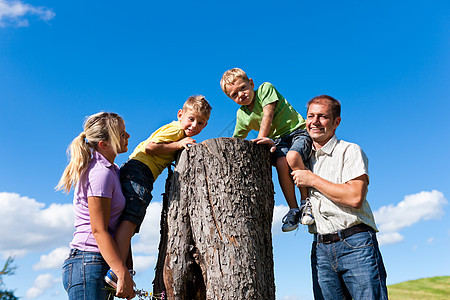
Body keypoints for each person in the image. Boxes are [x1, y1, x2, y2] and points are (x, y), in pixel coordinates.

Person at [105, 95, 212, 287]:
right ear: (181, 114)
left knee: (128, 221)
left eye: (201, 123)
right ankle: (116, 271)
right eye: (191, 119)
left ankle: (123, 267)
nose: (195, 125)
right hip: (140, 170)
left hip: (136, 170)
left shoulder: (179, 131)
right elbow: (151, 147)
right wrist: (179, 144)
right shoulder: (176, 129)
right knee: (130, 219)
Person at [291, 95, 388, 299]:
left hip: (356, 244)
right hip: (320, 248)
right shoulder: (303, 158)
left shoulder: (349, 151)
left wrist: (312, 179)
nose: (315, 122)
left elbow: (355, 197)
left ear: (336, 122)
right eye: (311, 116)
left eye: (322, 117)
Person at [220, 68, 313, 232]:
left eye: (243, 88)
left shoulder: (265, 89)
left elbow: (267, 115)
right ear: (230, 98)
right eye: (234, 95)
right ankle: (294, 209)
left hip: (297, 132)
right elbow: (235, 141)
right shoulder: (242, 115)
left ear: (251, 83)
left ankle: (306, 202)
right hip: (279, 141)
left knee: (292, 157)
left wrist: (260, 138)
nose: (241, 95)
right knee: (281, 163)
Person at [57, 112, 135, 300]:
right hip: (88, 262)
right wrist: (121, 271)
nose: (128, 136)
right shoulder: (100, 173)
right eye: (122, 134)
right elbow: (99, 229)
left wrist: (125, 268)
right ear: (104, 144)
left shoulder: (113, 170)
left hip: (97, 262)